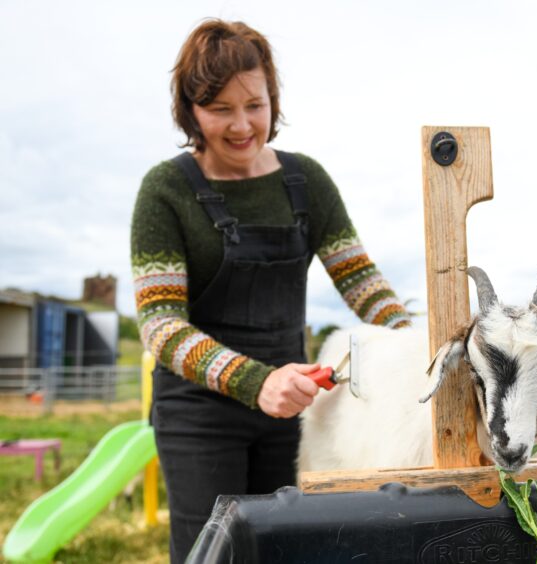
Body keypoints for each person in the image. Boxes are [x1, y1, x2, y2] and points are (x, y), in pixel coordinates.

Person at [130, 19, 411, 562]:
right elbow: (159, 326)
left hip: (295, 404)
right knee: (210, 549)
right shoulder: (165, 192)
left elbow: (362, 283)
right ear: (190, 111)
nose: (241, 125)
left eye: (254, 105)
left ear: (272, 100)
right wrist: (255, 381)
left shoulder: (305, 182)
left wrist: (415, 345)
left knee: (289, 545)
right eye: (220, 109)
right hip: (199, 415)